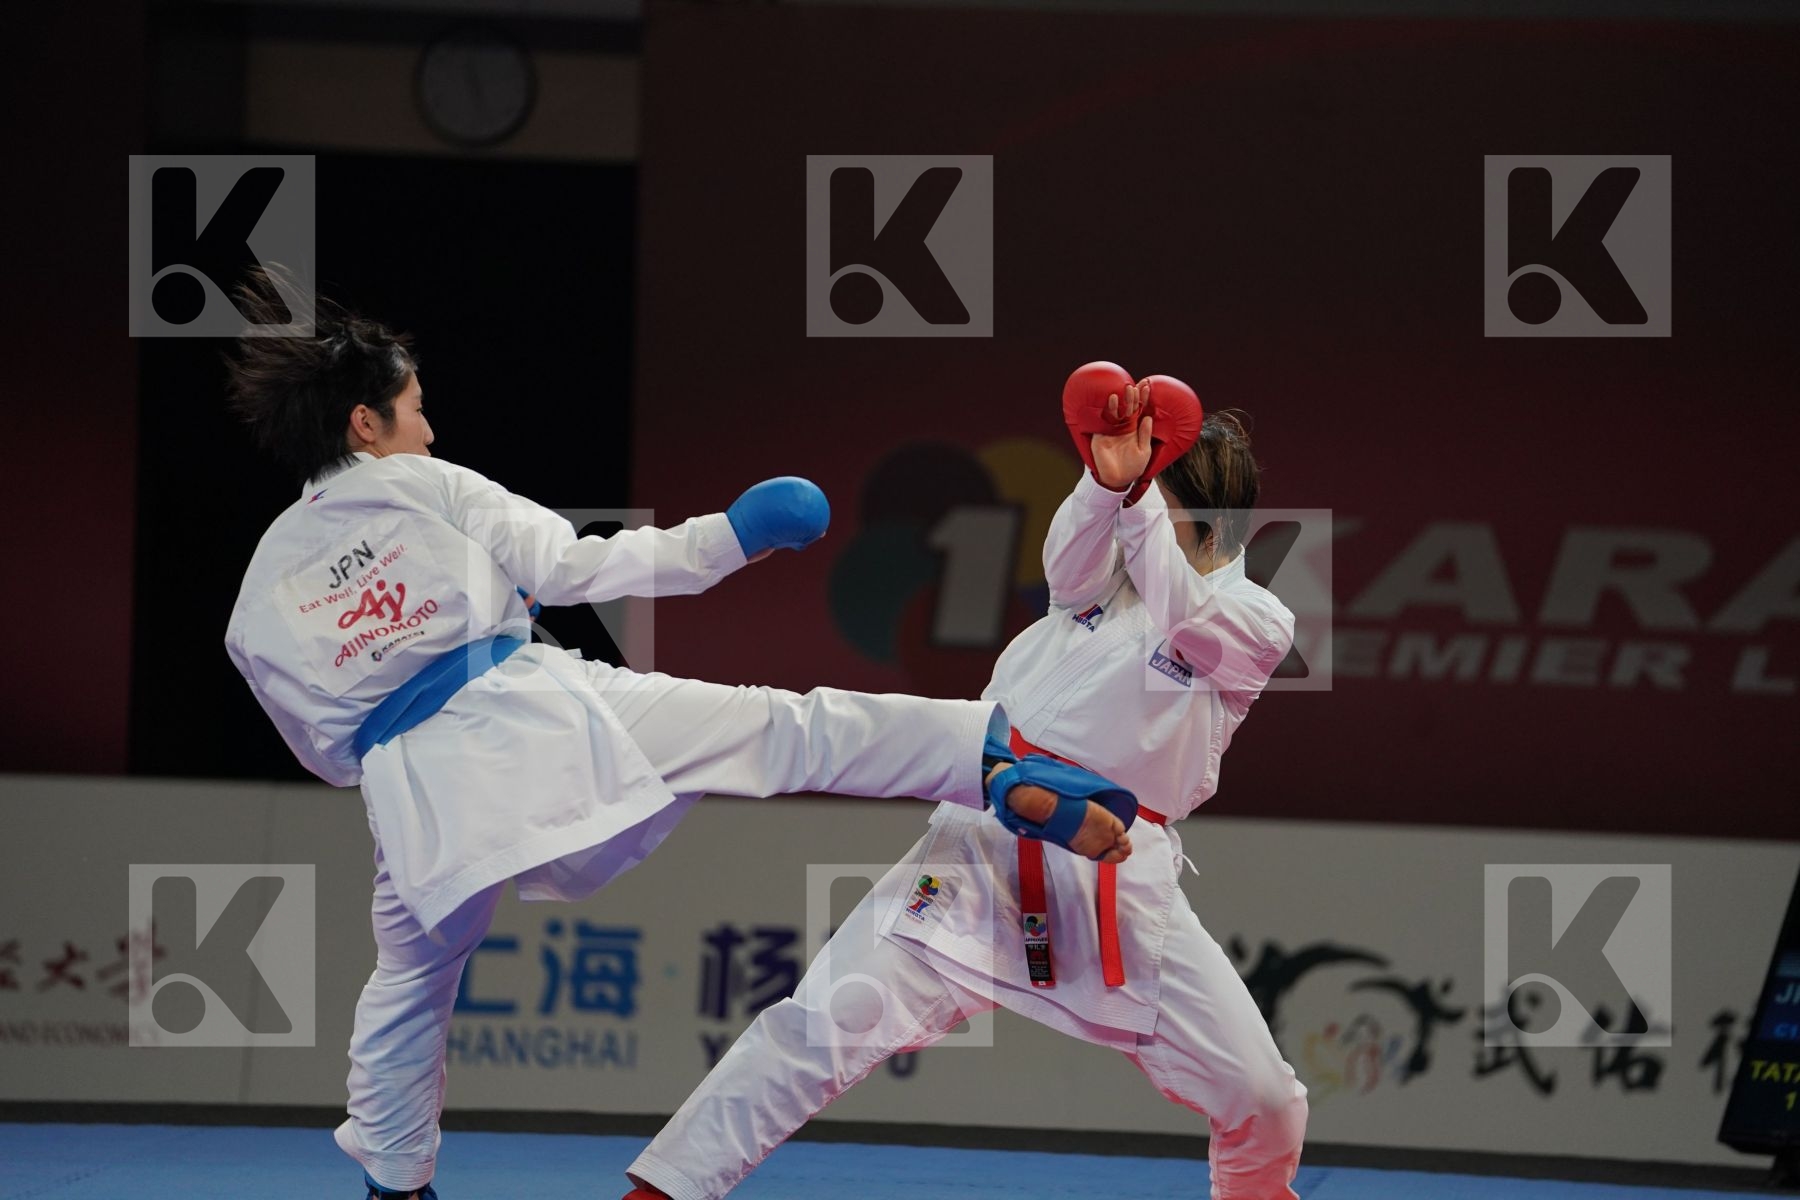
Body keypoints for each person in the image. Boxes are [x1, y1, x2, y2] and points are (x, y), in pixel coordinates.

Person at [218, 273, 1136, 1200]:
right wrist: (731, 537)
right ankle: (991, 759)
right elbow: (580, 566)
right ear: (366, 428)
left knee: (409, 989)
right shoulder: (421, 481)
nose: (428, 430)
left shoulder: (258, 594)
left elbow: (325, 754)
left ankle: (394, 1182)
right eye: (415, 412)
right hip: (539, 719)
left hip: (418, 799)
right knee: (779, 729)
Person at [624, 380, 1309, 1200]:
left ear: (1203, 514)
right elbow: (1068, 554)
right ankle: (657, 1193)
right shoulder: (1098, 578)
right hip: (981, 849)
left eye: (1152, 490)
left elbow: (1182, 609)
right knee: (818, 1027)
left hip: (1114, 880)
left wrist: (1135, 503)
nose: (1137, 513)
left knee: (1264, 1099)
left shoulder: (1255, 621)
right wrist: (1104, 484)